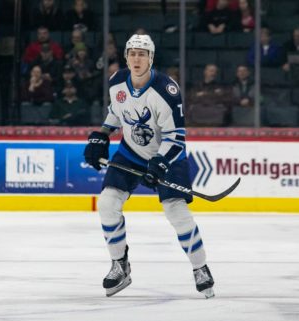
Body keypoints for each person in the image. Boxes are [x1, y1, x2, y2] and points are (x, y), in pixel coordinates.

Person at [83, 34, 215, 298]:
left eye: (142, 54)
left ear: (151, 58)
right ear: (126, 57)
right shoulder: (117, 81)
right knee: (108, 204)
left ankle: (201, 268)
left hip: (169, 157)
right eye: (132, 53)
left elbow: (176, 138)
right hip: (131, 152)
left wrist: (160, 163)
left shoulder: (167, 90)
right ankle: (119, 265)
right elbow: (115, 111)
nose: (136, 58)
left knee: (175, 211)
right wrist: (102, 134)